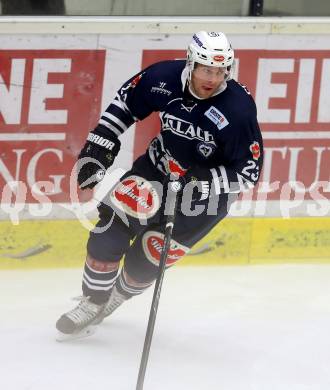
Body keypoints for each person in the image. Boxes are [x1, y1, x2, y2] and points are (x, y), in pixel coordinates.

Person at [56, 31, 263, 339]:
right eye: (206, 69)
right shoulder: (162, 77)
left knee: (147, 260)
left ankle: (115, 297)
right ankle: (93, 300)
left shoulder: (238, 110)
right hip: (157, 168)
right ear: (191, 63)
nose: (213, 78)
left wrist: (202, 182)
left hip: (204, 197)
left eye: (221, 71)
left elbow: (249, 171)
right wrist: (99, 147)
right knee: (110, 229)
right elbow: (125, 105)